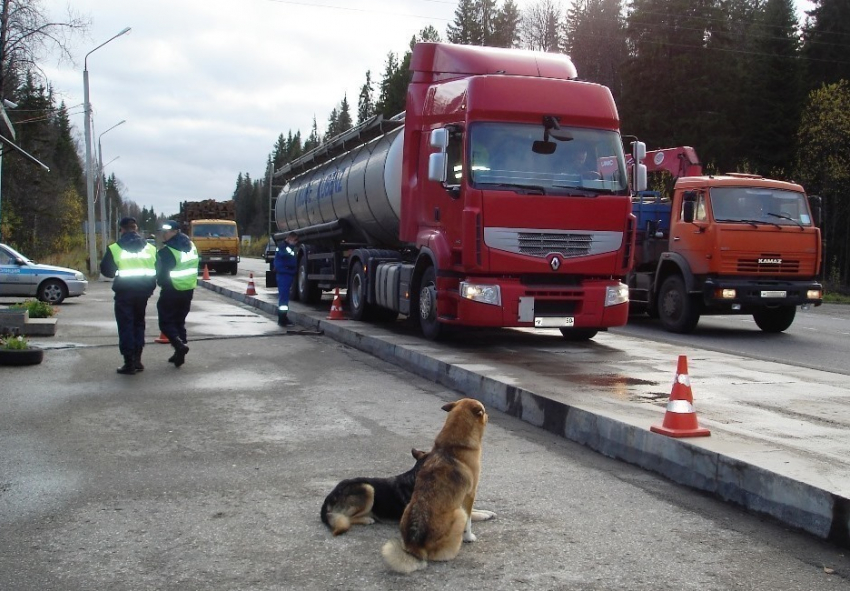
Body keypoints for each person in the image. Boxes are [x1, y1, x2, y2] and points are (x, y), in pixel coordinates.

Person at [100, 216, 157, 375]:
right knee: (139, 323)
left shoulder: (115, 248)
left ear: (122, 229)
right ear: (136, 228)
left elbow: (106, 270)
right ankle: (138, 359)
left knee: (126, 325)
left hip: (124, 292)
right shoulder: (150, 248)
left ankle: (129, 362)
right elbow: (157, 267)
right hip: (143, 292)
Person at [155, 220, 199, 367]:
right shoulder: (191, 246)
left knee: (165, 322)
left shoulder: (167, 251)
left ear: (175, 232)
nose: (164, 234)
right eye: (163, 232)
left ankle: (179, 346)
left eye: (166, 232)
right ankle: (179, 352)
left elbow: (161, 273)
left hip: (172, 290)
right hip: (188, 289)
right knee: (180, 321)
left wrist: (161, 282)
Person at [274, 232, 299, 327]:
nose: (296, 242)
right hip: (283, 274)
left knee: (285, 298)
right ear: (289, 238)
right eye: (295, 240)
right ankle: (282, 319)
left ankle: (283, 318)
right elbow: (285, 255)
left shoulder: (286, 247)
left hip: (287, 274)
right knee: (283, 299)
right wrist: (291, 247)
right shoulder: (283, 247)